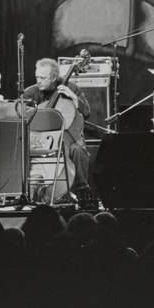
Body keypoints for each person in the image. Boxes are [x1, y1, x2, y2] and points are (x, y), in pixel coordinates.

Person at [23, 58, 92, 201]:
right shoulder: (31, 92)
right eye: (37, 77)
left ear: (54, 77)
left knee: (79, 151)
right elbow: (21, 115)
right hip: (40, 140)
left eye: (43, 78)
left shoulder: (71, 88)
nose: (39, 81)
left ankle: (83, 192)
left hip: (69, 138)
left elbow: (86, 113)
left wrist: (73, 97)